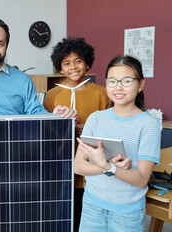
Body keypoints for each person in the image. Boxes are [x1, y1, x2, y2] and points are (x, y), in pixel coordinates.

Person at [73, 55, 161, 231]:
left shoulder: (149, 125)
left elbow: (141, 180)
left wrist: (108, 167)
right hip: (92, 206)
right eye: (112, 81)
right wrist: (106, 166)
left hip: (127, 215)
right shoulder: (95, 118)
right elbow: (78, 166)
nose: (118, 87)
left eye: (127, 81)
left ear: (141, 84)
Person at [43, 37, 111, 231]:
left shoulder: (103, 94)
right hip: (61, 164)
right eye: (66, 63)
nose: (73, 66)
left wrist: (87, 130)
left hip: (92, 167)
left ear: (88, 63)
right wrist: (63, 127)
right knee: (63, 215)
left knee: (89, 215)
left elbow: (109, 126)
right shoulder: (52, 95)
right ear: (59, 68)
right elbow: (46, 131)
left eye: (78, 61)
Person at [0, 16, 76, 118]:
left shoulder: (23, 80)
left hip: (14, 145)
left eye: (0, 44)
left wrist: (54, 116)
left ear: (7, 45)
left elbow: (35, 113)